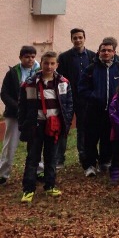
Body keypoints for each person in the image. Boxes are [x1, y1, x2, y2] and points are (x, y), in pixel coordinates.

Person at [18, 51, 73, 202]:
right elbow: (22, 106)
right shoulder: (30, 83)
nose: (49, 66)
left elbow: (68, 104)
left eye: (52, 63)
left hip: (53, 126)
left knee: (51, 157)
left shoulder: (63, 82)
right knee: (32, 158)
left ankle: (50, 185)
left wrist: (65, 123)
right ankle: (28, 188)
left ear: (57, 65)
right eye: (46, 63)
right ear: (40, 63)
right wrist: (23, 124)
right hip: (36, 125)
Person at [78, 39, 119, 177]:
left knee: (108, 137)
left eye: (109, 50)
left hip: (113, 111)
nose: (106, 53)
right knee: (91, 138)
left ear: (114, 52)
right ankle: (89, 165)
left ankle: (104, 161)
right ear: (98, 52)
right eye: (103, 50)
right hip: (93, 110)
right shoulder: (91, 68)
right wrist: (94, 96)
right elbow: (81, 88)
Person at [56, 28, 95, 168]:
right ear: (71, 39)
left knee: (82, 127)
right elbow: (59, 78)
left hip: (85, 98)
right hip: (68, 98)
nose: (78, 40)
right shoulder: (64, 57)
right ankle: (59, 158)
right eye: (75, 38)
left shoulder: (92, 56)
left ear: (84, 38)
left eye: (80, 37)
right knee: (63, 127)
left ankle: (83, 155)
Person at [0, 46, 39, 185]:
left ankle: (39, 171)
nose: (30, 59)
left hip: (35, 115)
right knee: (10, 144)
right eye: (27, 56)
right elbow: (4, 93)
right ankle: (3, 174)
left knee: (36, 143)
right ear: (20, 57)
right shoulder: (12, 73)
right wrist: (18, 107)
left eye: (32, 56)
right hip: (14, 114)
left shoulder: (39, 72)